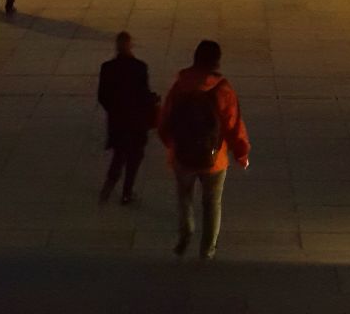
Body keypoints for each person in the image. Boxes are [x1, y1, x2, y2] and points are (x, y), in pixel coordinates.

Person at [159, 40, 250, 260]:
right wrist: (241, 154)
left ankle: (186, 233)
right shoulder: (223, 89)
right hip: (214, 158)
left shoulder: (180, 85)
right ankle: (207, 250)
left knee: (185, 197)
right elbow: (233, 125)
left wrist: (171, 144)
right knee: (212, 203)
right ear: (216, 62)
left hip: (182, 155)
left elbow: (165, 120)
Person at [97, 31, 156, 205]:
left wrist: (114, 109)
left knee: (119, 154)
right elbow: (144, 94)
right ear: (131, 45)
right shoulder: (139, 67)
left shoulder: (107, 67)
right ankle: (127, 192)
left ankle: (109, 185)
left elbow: (102, 96)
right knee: (135, 157)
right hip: (136, 121)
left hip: (118, 120)